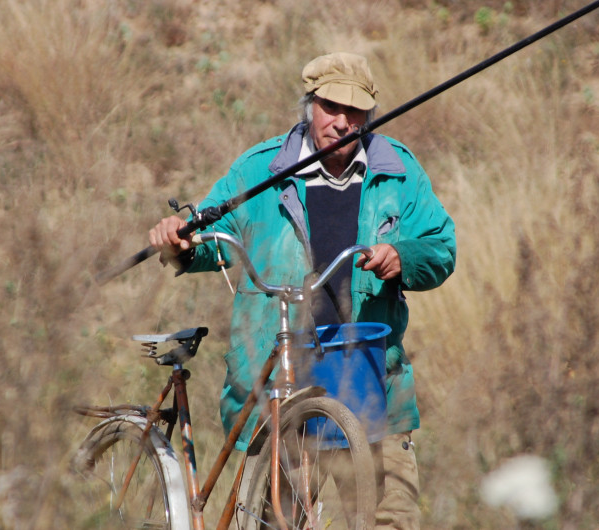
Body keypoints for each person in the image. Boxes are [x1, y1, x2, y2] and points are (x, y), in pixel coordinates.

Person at [149, 52, 456, 529]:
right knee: (275, 521)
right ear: (309, 105)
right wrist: (179, 241)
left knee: (390, 521)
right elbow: (207, 237)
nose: (341, 121)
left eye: (355, 111)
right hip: (284, 388)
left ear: (370, 115)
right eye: (330, 107)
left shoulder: (398, 171)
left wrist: (405, 258)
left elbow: (441, 247)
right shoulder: (259, 171)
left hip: (371, 383)